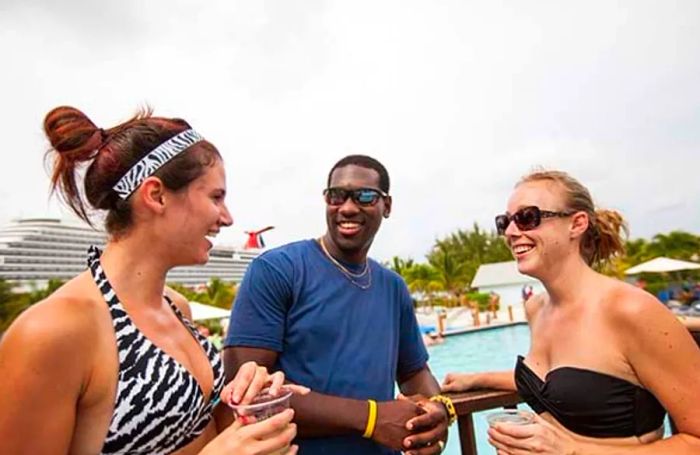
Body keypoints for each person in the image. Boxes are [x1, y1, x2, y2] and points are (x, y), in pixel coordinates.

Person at [0, 106, 306, 454]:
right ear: (156, 195)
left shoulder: (177, 308)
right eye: (216, 197)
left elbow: (202, 435)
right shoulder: (52, 331)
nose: (227, 217)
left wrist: (248, 398)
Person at [442, 170, 700, 453]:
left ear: (576, 224)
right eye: (505, 221)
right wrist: (477, 379)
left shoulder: (632, 310)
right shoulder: (537, 309)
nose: (512, 231)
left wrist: (571, 450)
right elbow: (560, 380)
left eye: (528, 217)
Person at [224, 155, 453, 454]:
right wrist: (372, 418)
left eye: (365, 196)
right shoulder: (278, 270)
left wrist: (439, 410)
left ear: (387, 206)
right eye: (336, 195)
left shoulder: (393, 286)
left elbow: (414, 373)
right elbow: (245, 393)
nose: (347, 207)